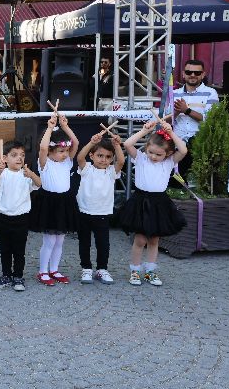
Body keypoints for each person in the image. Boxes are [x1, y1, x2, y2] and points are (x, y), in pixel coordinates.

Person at [117, 119, 187, 286]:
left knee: (154, 240)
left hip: (159, 203)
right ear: (146, 148)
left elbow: (183, 150)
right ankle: (135, 270)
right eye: (151, 152)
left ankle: (150, 271)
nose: (154, 157)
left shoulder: (169, 162)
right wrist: (144, 131)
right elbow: (127, 144)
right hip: (140, 201)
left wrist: (171, 133)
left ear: (168, 154)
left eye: (158, 154)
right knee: (140, 240)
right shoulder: (141, 158)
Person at [30, 113, 80, 287]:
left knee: (60, 240)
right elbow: (43, 148)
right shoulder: (44, 163)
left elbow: (76, 143)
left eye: (66, 151)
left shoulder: (67, 162)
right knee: (49, 241)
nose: (65, 154)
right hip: (49, 203)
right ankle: (43, 271)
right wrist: (50, 128)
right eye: (61, 151)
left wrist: (65, 127)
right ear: (51, 151)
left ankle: (54, 269)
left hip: (64, 202)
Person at [0, 141, 41, 292]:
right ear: (5, 158)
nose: (19, 158)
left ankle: (18, 276)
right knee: (4, 249)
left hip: (21, 218)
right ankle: (6, 275)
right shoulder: (2, 173)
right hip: (2, 217)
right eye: (14, 155)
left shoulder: (26, 174)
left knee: (19, 250)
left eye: (22, 155)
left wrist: (31, 174)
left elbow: (39, 184)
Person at [75, 130, 124, 285]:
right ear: (92, 156)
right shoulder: (87, 168)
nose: (104, 159)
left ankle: (102, 269)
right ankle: (86, 269)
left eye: (108, 157)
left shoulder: (111, 171)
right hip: (84, 211)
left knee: (103, 243)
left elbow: (121, 161)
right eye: (100, 155)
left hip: (103, 213)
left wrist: (117, 145)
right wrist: (92, 142)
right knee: (84, 242)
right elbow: (79, 157)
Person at [171, 59, 218, 181]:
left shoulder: (211, 93)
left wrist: (186, 110)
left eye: (197, 73)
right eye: (188, 72)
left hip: (200, 143)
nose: (192, 75)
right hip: (177, 143)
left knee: (196, 181)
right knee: (175, 181)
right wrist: (177, 112)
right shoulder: (174, 93)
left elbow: (210, 119)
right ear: (183, 74)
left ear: (203, 75)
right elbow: (166, 120)